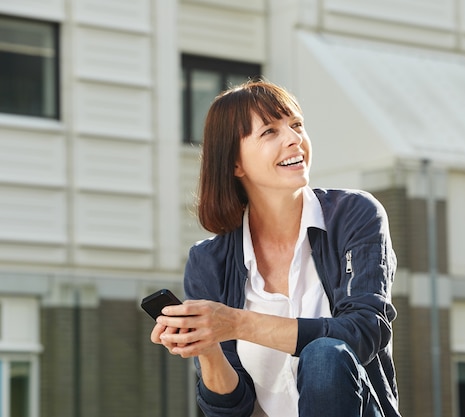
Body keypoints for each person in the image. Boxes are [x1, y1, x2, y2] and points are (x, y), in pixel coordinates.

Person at [150, 80, 401, 417]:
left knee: (325, 355)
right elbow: (229, 410)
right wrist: (209, 348)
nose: (294, 139)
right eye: (269, 131)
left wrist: (236, 323)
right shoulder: (209, 260)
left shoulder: (354, 215)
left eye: (296, 125)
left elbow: (364, 331)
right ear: (235, 163)